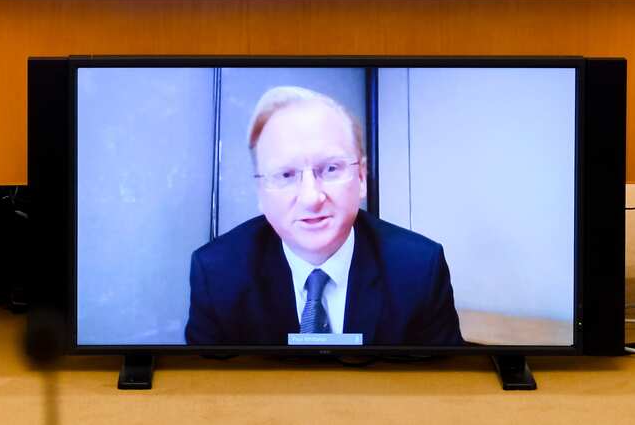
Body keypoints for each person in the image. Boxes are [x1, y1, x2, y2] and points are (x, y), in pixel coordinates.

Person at [185, 86, 463, 346]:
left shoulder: (418, 268)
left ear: (362, 177)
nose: (311, 198)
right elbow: (206, 392)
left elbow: (444, 389)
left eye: (330, 169)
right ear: (261, 191)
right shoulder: (218, 274)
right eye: (285, 174)